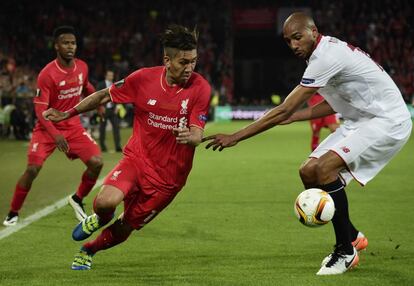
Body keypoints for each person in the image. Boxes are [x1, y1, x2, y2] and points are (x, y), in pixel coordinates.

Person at [203, 12, 412, 275]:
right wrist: (295, 117)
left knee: (324, 170)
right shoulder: (322, 55)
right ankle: (352, 235)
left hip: (386, 121)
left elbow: (283, 108)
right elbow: (332, 103)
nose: (293, 45)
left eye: (298, 37)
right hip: (359, 120)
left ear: (314, 31)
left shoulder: (326, 57)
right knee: (308, 171)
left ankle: (345, 251)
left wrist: (235, 136)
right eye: (289, 41)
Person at [43, 24, 211, 270]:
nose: (190, 68)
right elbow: (103, 95)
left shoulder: (200, 88)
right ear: (167, 59)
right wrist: (66, 114)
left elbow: (198, 133)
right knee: (104, 203)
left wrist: (190, 136)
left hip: (169, 178)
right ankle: (99, 218)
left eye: (193, 62)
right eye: (183, 62)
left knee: (126, 226)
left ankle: (89, 249)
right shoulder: (143, 78)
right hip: (138, 160)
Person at [3, 26, 103, 226]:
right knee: (32, 169)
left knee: (96, 162)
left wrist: (98, 105)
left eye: (73, 43)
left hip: (73, 125)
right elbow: (40, 111)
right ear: (56, 46)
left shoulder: (82, 66)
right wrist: (56, 134)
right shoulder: (47, 74)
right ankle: (13, 212)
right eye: (65, 43)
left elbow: (86, 87)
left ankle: (77, 199)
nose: (70, 46)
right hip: (47, 128)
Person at [96, 69, 122, 152]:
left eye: (112, 75)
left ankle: (118, 146)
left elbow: (118, 96)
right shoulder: (100, 85)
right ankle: (103, 147)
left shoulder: (115, 85)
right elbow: (97, 97)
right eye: (110, 75)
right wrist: (100, 107)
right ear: (106, 76)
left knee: (116, 128)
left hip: (112, 110)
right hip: (104, 110)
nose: (111, 77)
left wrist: (117, 106)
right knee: (102, 129)